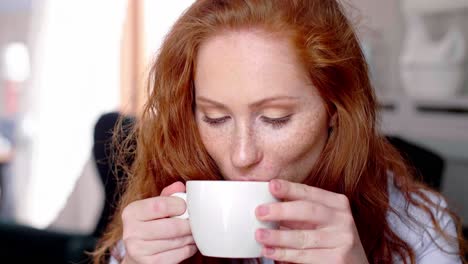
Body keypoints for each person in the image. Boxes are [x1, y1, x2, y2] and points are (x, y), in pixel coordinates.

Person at [93, 0, 466, 263]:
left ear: (335, 110)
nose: (240, 155)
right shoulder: (161, 217)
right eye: (215, 118)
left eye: (275, 118)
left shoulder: (419, 228)